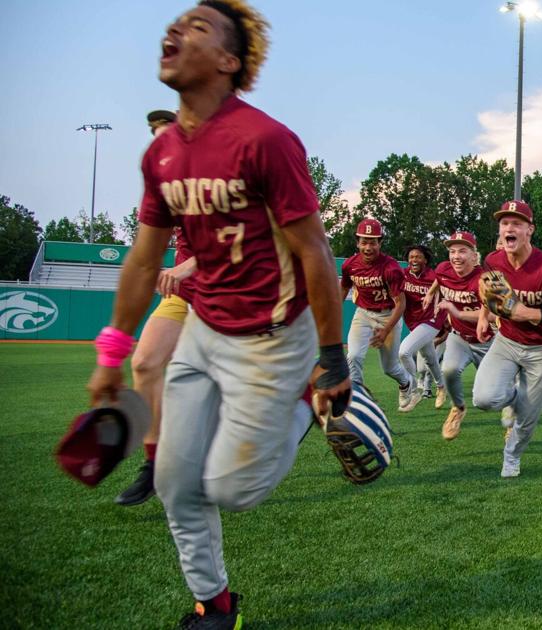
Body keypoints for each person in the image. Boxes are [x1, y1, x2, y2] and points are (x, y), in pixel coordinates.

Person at [86, 2, 350, 625]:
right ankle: (215, 605)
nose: (175, 30)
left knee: (233, 490)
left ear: (230, 62)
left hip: (273, 336)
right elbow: (143, 259)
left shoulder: (264, 139)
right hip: (204, 330)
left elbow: (314, 250)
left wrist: (332, 356)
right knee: (177, 483)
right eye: (176, 23)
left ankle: (302, 407)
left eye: (198, 27)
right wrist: (112, 353)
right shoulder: (161, 156)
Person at [112, 109, 190, 507]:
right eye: (155, 138)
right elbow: (144, 256)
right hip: (184, 295)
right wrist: (110, 355)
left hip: (230, 295)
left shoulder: (217, 178)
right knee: (144, 363)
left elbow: (239, 245)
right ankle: (154, 465)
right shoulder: (160, 188)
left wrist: (185, 267)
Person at [472, 200, 542, 477]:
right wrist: (484, 315)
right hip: (506, 341)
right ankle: (511, 398)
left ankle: (511, 457)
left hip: (541, 350)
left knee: (528, 419)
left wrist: (525, 312)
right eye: (505, 223)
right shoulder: (493, 260)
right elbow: (490, 290)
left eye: (516, 223)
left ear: (529, 230)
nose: (509, 228)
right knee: (483, 399)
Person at [427, 230, 489, 440]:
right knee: (449, 370)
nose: (456, 256)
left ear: (474, 255)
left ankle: (512, 417)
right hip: (459, 337)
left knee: (492, 394)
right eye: (452, 251)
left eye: (462, 251)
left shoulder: (484, 278)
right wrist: (430, 294)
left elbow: (492, 315)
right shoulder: (444, 269)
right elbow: (439, 280)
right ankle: (458, 408)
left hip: (488, 341)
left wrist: (457, 312)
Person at [340, 218, 411, 394]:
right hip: (363, 313)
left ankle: (406, 383)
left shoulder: (391, 268)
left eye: (373, 242)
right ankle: (357, 395)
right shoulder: (350, 265)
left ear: (380, 243)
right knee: (353, 356)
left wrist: (386, 330)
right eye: (364, 242)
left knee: (390, 368)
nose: (368, 248)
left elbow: (401, 304)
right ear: (357, 242)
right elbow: (344, 287)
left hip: (388, 315)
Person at [395, 244, 447, 412]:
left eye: (418, 256)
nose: (414, 259)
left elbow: (449, 291)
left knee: (404, 352)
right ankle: (441, 387)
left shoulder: (434, 276)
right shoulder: (403, 275)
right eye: (411, 257)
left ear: (425, 259)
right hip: (413, 322)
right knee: (430, 358)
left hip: (432, 320)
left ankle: (413, 390)